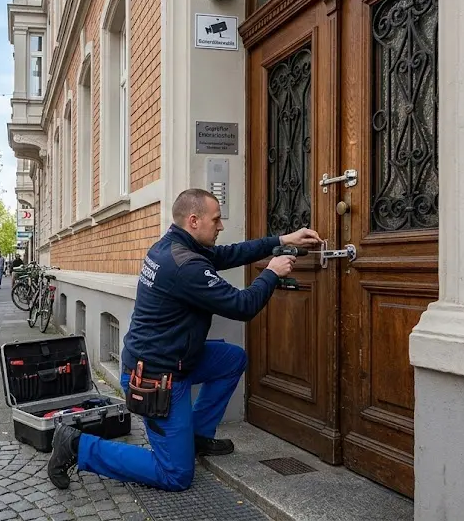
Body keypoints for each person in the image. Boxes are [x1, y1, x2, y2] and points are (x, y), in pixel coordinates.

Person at [46, 188, 322, 492]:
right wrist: (271, 272)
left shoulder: (174, 247)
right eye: (216, 220)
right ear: (194, 220)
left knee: (232, 359)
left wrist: (282, 240)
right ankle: (76, 445)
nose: (220, 226)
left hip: (174, 358)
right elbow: (243, 306)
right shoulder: (186, 266)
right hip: (155, 379)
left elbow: (230, 253)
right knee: (175, 474)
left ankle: (195, 438)